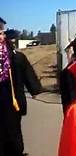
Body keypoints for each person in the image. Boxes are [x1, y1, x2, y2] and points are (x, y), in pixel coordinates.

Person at [0, 17, 43, 156]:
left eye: (2, 33)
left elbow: (26, 71)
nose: (2, 35)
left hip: (12, 100)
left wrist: (34, 89)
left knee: (13, 131)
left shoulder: (14, 56)